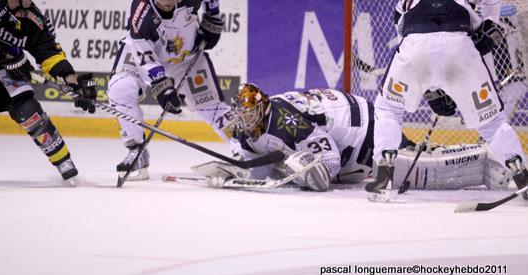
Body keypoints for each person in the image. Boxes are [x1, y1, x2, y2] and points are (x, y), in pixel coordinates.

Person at [365, 0, 528, 201]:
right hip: (460, 49)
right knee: (492, 122)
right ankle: (521, 173)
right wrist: (490, 24)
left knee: (388, 109)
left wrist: (433, 88)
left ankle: (383, 172)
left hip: (413, 49)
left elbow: (406, 36)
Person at [192, 84, 510, 192]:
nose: (243, 122)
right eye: (240, 116)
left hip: (361, 129)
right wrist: (235, 172)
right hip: (346, 132)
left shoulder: (284, 119)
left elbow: (327, 155)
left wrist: (308, 169)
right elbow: (259, 167)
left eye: (248, 115)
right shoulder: (249, 128)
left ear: (261, 110)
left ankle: (486, 155)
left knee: (415, 171)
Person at [107, 0, 232, 181]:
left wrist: (212, 18)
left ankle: (247, 144)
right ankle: (137, 150)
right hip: (140, 54)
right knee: (121, 90)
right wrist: (163, 88)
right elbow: (144, 55)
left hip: (186, 57)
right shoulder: (141, 12)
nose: (169, 0)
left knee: (210, 105)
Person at [0, 0, 97, 184]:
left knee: (28, 108)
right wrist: (9, 56)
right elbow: (9, 54)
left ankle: (63, 161)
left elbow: (48, 52)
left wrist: (73, 82)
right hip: (4, 66)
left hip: (4, 74)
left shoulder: (32, 18)